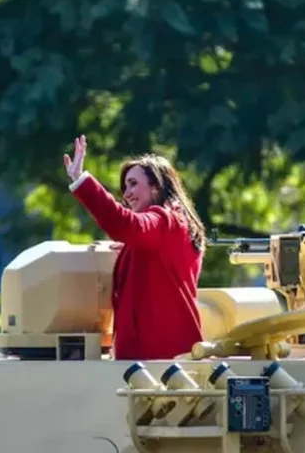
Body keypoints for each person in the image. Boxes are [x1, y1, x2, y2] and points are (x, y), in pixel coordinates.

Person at [64, 135, 206, 360]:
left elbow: (124, 224)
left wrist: (82, 181)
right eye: (124, 186)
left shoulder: (165, 221)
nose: (126, 193)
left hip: (159, 359)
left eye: (133, 184)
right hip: (165, 356)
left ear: (156, 187)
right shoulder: (175, 225)